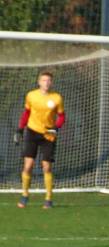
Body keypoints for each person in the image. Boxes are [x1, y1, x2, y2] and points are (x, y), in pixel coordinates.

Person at [16, 71, 65, 209]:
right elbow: (26, 113)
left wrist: (56, 128)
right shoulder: (31, 95)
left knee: (47, 166)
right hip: (32, 132)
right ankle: (25, 195)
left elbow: (61, 116)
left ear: (52, 82)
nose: (46, 83)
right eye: (44, 80)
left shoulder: (57, 98)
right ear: (39, 82)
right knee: (28, 165)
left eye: (49, 80)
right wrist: (20, 128)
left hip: (48, 134)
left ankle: (48, 199)